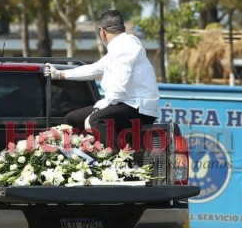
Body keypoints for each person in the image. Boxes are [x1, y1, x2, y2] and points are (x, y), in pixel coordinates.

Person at [44, 9, 159, 149]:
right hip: (127, 104)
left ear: (102, 31)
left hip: (139, 108)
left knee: (97, 120)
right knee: (72, 118)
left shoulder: (124, 48)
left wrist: (97, 110)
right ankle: (84, 160)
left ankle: (119, 164)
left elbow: (119, 90)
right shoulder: (120, 47)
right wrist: (61, 74)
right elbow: (95, 68)